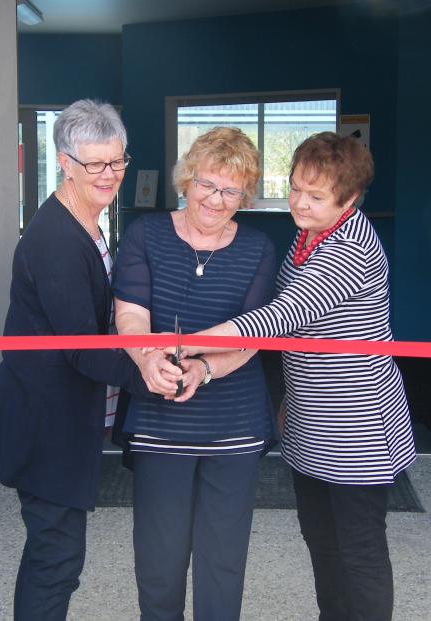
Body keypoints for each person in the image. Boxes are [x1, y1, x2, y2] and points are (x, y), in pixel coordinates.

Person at [178, 132, 416, 621]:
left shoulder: (352, 247)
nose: (299, 204)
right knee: (322, 540)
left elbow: (283, 315)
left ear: (348, 200)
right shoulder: (311, 235)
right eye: (295, 188)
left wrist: (184, 342)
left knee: (360, 549)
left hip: (358, 425)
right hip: (312, 417)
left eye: (316, 196)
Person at [0, 99, 171, 621]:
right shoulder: (58, 239)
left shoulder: (86, 219)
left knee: (55, 555)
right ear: (65, 162)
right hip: (45, 427)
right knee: (56, 559)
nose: (110, 175)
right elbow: (84, 347)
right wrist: (149, 371)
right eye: (95, 164)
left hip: (59, 421)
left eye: (118, 161)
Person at [112, 126, 277, 621]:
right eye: (207, 184)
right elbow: (131, 313)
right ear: (187, 180)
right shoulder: (147, 233)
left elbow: (255, 334)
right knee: (159, 564)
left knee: (223, 566)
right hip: (160, 425)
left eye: (231, 190)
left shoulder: (259, 248)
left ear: (244, 195)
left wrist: (203, 367)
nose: (216, 198)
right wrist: (147, 360)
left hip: (235, 427)